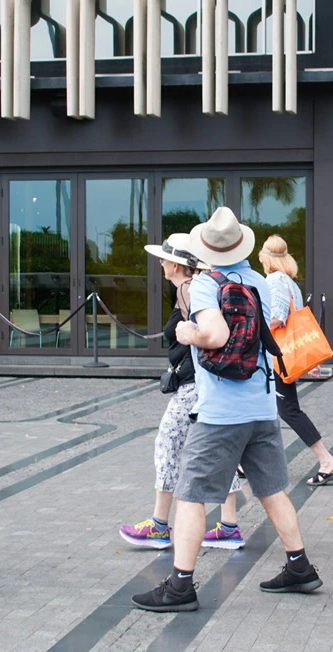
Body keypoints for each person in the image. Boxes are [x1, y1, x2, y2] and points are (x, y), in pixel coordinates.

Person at [132, 207, 322, 613]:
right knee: (272, 489)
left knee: (191, 495)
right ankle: (299, 565)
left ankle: (180, 586)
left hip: (220, 411)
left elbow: (215, 334)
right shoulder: (258, 281)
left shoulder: (206, 284)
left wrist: (189, 332)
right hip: (261, 404)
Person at [119, 234, 245, 551]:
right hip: (206, 388)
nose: (160, 263)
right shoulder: (190, 289)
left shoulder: (190, 290)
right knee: (214, 450)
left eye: (164, 258)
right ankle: (229, 526)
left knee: (168, 444)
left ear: (177, 264)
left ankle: (160, 525)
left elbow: (205, 336)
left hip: (195, 388)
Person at [259, 234, 333, 486]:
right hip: (282, 354)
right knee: (266, 409)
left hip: (277, 355)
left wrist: (253, 331)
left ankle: (326, 459)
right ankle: (248, 463)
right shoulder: (289, 281)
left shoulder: (274, 280)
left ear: (265, 258)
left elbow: (277, 317)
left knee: (288, 409)